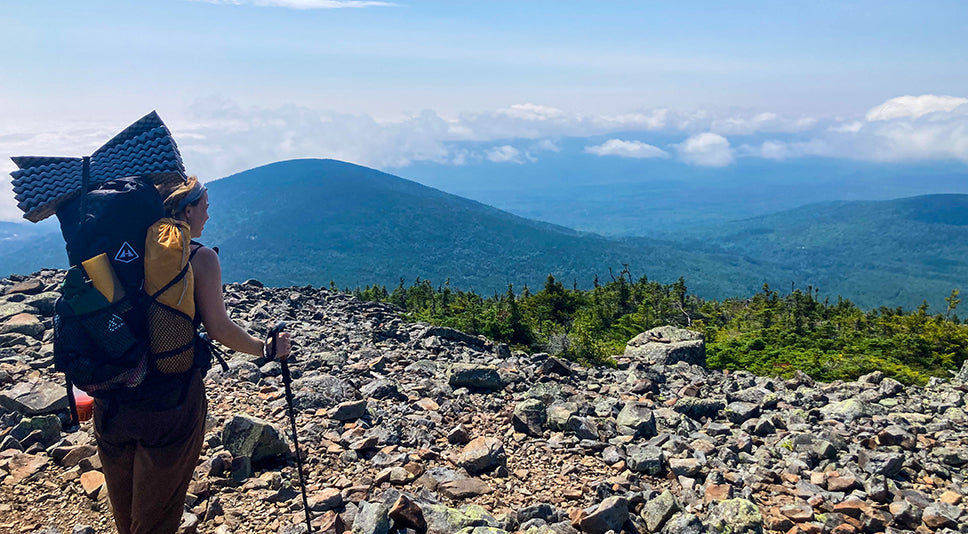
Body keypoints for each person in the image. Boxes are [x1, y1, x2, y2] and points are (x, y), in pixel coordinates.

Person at [94, 175, 292, 534]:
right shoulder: (198, 257)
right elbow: (220, 328)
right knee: (155, 522)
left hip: (111, 400)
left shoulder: (116, 251)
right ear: (187, 210)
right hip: (171, 402)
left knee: (128, 522)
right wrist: (265, 349)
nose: (207, 217)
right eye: (204, 208)